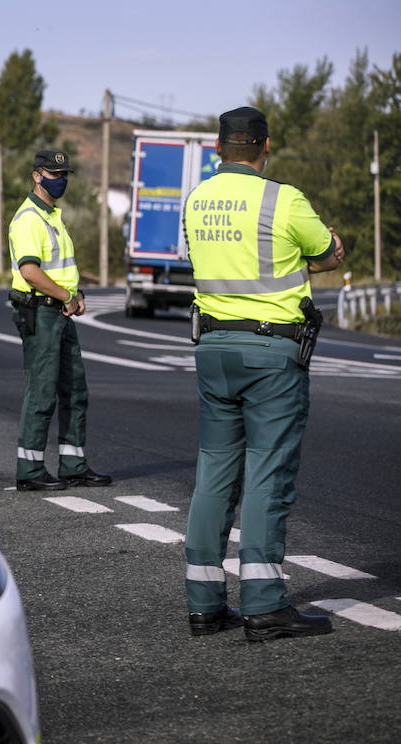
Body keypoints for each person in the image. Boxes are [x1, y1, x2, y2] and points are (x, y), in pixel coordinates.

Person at [182, 106, 344, 641]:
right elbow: (325, 252)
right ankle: (265, 604)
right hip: (272, 352)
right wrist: (322, 256)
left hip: (212, 349)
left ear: (218, 147)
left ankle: (204, 604)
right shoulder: (284, 198)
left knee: (214, 474)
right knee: (267, 474)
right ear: (265, 146)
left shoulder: (197, 200)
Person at [7, 150, 113, 491]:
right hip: (40, 311)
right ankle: (30, 470)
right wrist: (65, 296)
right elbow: (29, 270)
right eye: (54, 174)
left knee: (74, 390)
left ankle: (73, 464)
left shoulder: (53, 217)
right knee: (42, 392)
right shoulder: (28, 219)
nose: (61, 179)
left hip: (60, 311)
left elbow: (60, 267)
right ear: (36, 176)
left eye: (65, 173)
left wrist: (75, 293)